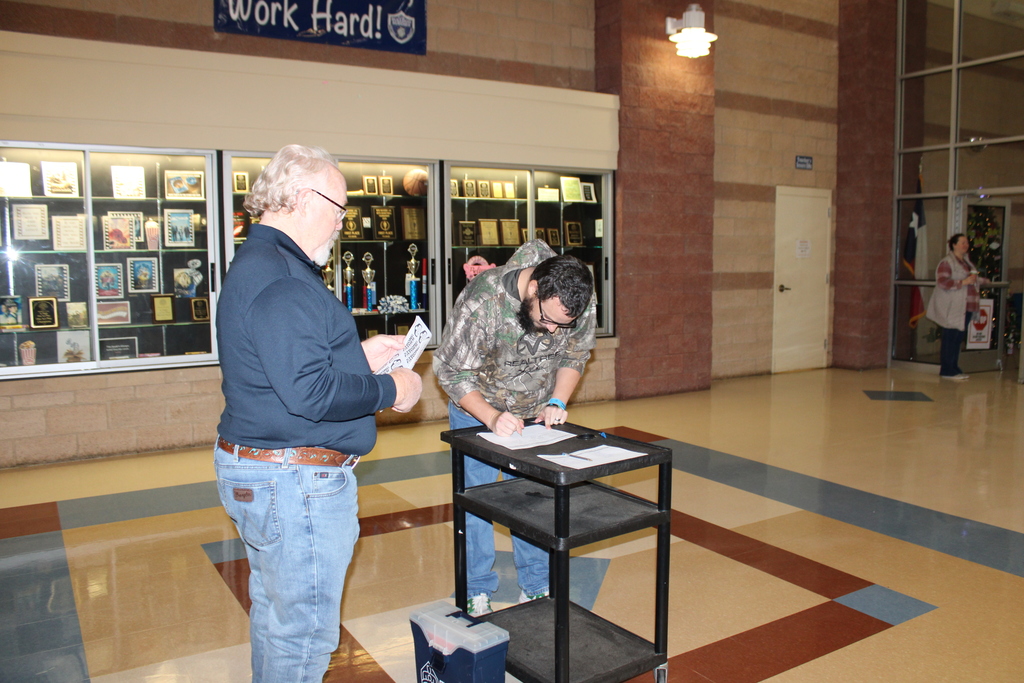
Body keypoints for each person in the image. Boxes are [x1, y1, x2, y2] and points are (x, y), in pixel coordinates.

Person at [214, 144, 422, 682]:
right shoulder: (283, 277)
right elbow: (309, 392)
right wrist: (388, 388)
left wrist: (358, 353)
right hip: (294, 481)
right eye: (339, 207)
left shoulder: (263, 263)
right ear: (305, 199)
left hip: (269, 470)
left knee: (278, 617)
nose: (341, 222)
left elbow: (288, 363)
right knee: (303, 635)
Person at [433, 239, 596, 616]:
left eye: (563, 324)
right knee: (478, 500)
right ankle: (476, 589)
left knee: (533, 499)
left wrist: (557, 400)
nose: (555, 332)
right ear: (534, 290)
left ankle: (536, 584)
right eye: (548, 321)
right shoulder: (483, 301)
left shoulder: (574, 294)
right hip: (478, 408)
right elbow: (452, 371)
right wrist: (490, 416)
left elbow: (575, 353)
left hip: (535, 411)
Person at [926, 233, 989, 381]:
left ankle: (954, 367)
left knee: (958, 338)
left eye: (967, 242)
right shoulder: (947, 262)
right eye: (962, 242)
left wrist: (983, 281)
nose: (965, 245)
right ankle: (947, 369)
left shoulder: (966, 262)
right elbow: (942, 282)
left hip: (966, 306)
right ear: (953, 245)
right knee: (950, 337)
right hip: (953, 306)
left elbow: (971, 278)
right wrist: (963, 283)